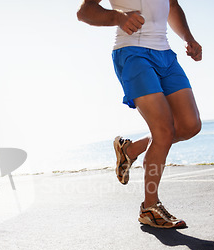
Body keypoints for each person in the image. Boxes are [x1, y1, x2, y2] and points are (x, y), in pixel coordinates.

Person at [77, 0, 202, 228]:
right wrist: (118, 18)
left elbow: (172, 6)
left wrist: (189, 38)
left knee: (189, 125)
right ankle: (149, 208)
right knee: (163, 131)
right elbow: (84, 12)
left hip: (165, 54)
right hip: (132, 52)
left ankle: (131, 149)